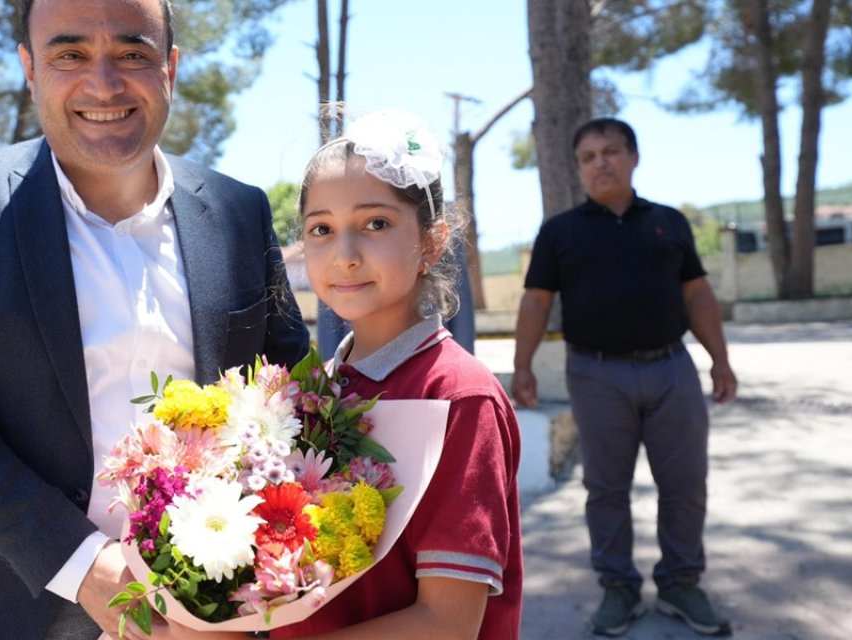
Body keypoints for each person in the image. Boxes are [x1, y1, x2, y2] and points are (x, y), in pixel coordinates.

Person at [0, 0, 309, 638]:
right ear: (30, 69)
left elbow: (290, 391)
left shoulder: (239, 212)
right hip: (4, 605)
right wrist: (82, 564)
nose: (104, 84)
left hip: (207, 615)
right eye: (70, 54)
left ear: (170, 67)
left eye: (132, 54)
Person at [167, 110, 523, 640]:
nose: (345, 255)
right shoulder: (305, 396)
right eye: (322, 229)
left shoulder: (458, 396)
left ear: (431, 242)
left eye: (376, 224)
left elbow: (447, 623)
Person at [510, 117, 737, 637]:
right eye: (588, 157)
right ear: (579, 168)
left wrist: (719, 360)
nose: (600, 163)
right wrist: (522, 368)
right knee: (605, 487)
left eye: (611, 151)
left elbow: (697, 295)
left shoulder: (669, 223)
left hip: (671, 369)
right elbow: (536, 301)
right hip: (595, 373)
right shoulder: (560, 232)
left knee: (684, 484)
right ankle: (619, 588)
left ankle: (681, 582)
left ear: (633, 157)